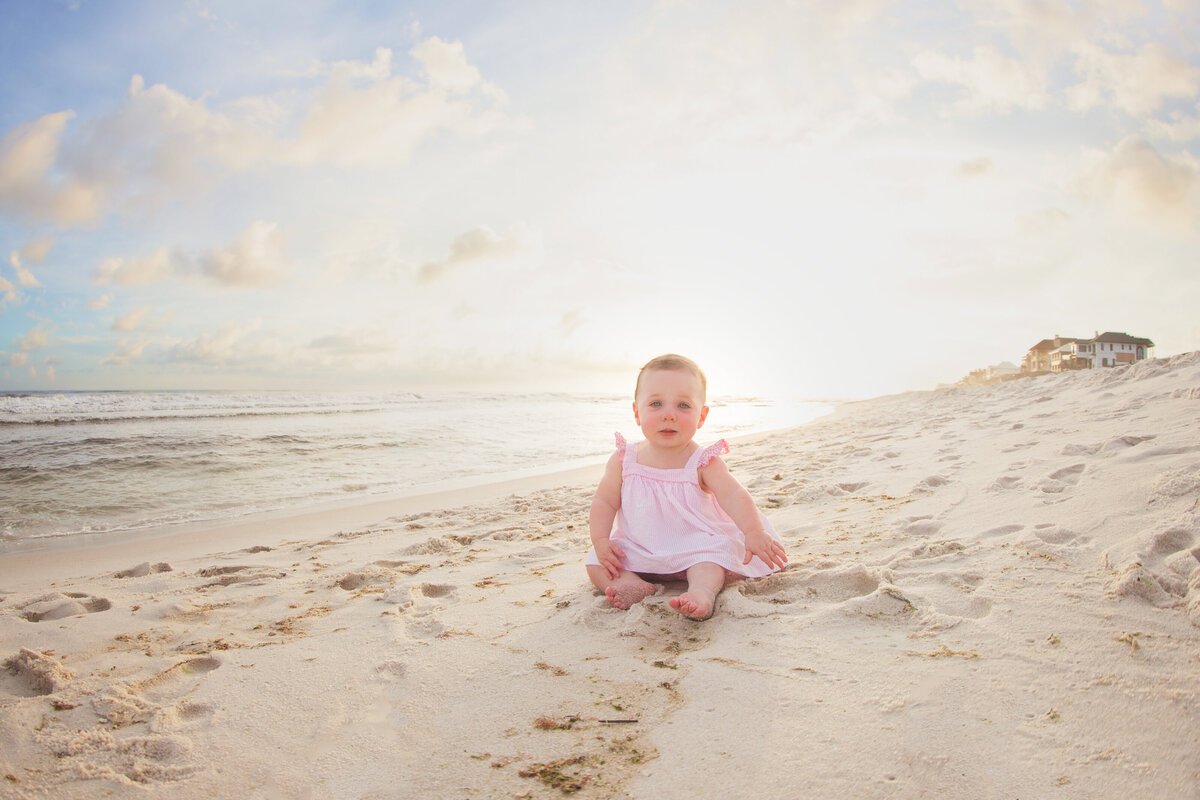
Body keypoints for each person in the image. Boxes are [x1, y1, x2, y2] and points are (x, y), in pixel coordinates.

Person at [585, 354, 788, 620]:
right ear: (637, 412)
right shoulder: (625, 459)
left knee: (711, 559)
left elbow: (733, 495)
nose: (669, 415)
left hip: (695, 545)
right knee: (596, 561)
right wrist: (600, 540)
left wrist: (753, 531)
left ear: (702, 416)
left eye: (683, 405)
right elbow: (604, 502)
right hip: (641, 546)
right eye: (656, 403)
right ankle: (629, 583)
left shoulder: (702, 462)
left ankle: (701, 592)